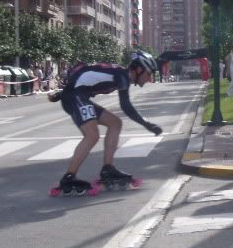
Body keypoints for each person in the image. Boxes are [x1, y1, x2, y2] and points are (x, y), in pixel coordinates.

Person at [47, 51, 162, 195]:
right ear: (139, 69)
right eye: (149, 73)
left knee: (115, 123)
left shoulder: (121, 74)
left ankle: (108, 168)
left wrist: (62, 92)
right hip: (75, 97)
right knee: (92, 136)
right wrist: (146, 124)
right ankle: (69, 177)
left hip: (78, 96)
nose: (149, 78)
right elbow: (126, 106)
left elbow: (87, 74)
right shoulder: (122, 76)